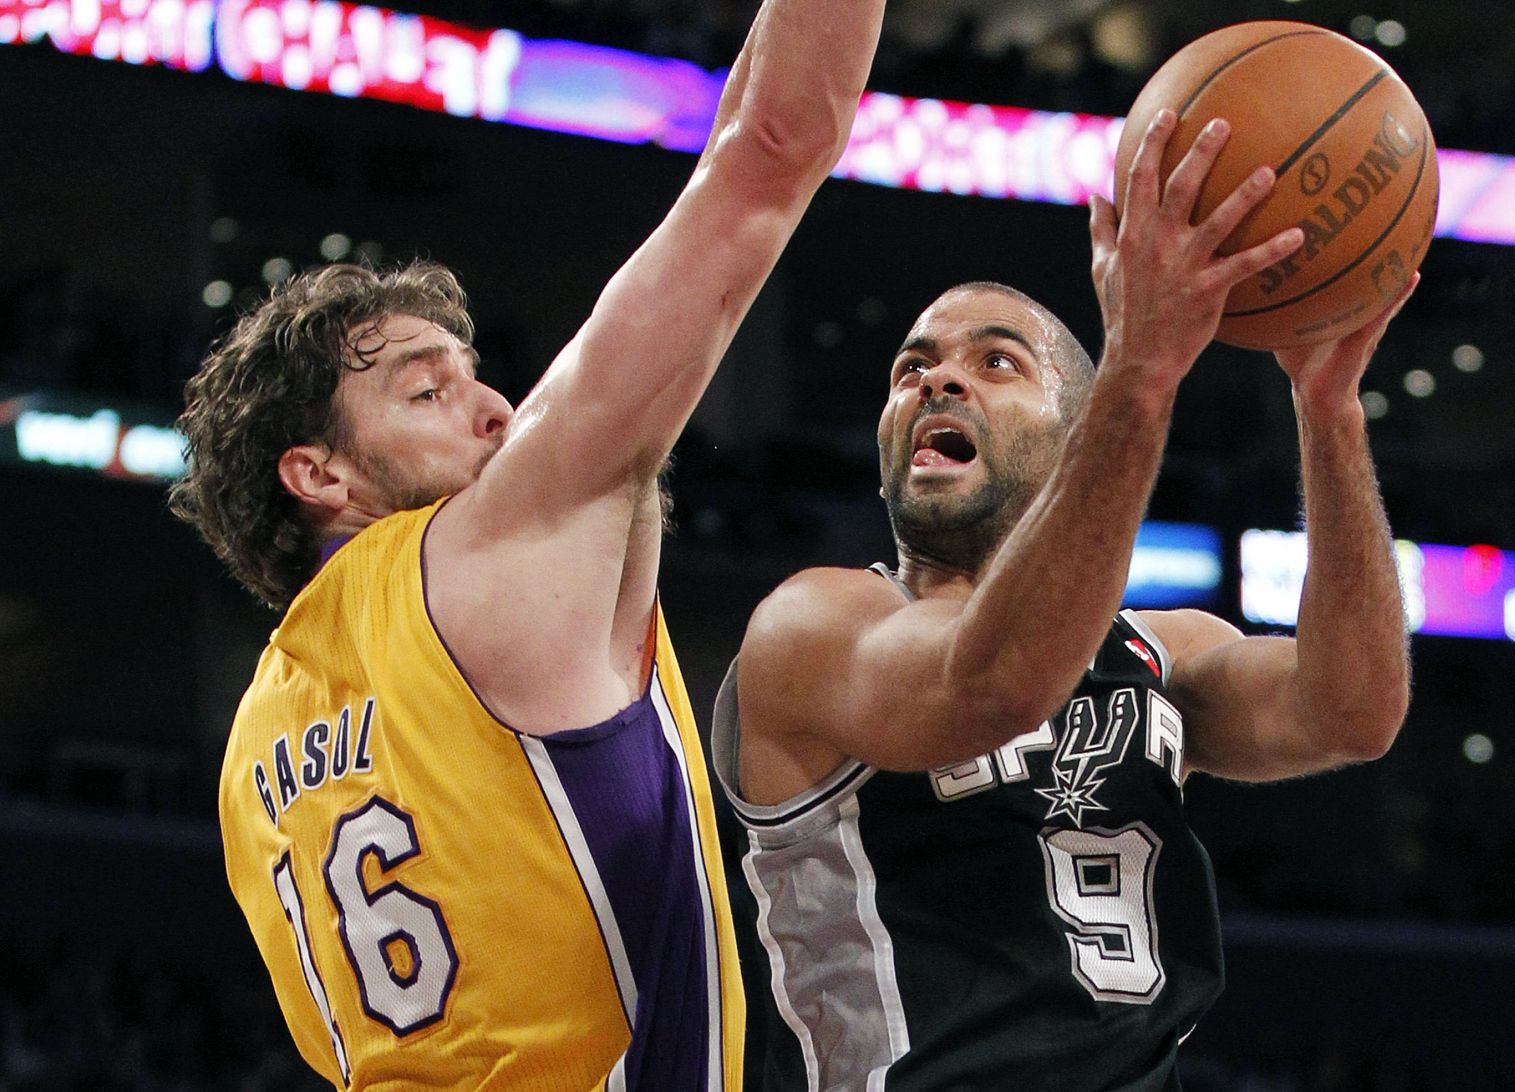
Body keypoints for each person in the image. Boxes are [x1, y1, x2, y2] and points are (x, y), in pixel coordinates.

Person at [168, 2, 884, 1086]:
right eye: (428, 390)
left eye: (475, 373)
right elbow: (773, 148)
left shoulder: (249, 758)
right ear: (320, 475)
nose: (498, 408)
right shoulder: (477, 558)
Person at [711, 109, 1415, 1089]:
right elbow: (993, 685)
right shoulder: (814, 626)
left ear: (1073, 430)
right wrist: (1143, 368)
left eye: (994, 362)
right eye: (911, 368)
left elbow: (1352, 709)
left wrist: (1328, 409)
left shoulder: (1164, 652)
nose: (937, 379)